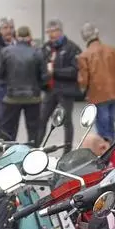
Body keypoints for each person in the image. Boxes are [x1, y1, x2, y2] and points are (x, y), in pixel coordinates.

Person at [0, 25, 44, 145]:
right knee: (33, 130)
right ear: (30, 37)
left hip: (11, 97)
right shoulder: (37, 52)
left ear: (16, 36)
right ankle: (33, 153)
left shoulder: (6, 51)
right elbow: (45, 76)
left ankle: (9, 153)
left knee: (8, 130)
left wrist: (7, 81)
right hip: (33, 97)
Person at [77, 23, 115, 140]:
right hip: (114, 92)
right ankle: (114, 150)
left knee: (103, 128)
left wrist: (82, 88)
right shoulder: (113, 50)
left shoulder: (84, 55)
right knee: (112, 123)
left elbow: (84, 80)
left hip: (98, 95)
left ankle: (105, 153)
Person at [41, 19, 80, 151]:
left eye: (52, 32)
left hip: (65, 90)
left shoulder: (71, 48)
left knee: (66, 121)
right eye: (48, 32)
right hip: (49, 90)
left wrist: (55, 72)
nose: (50, 35)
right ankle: (37, 148)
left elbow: (75, 71)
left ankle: (67, 151)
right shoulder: (46, 47)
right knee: (42, 119)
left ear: (59, 31)